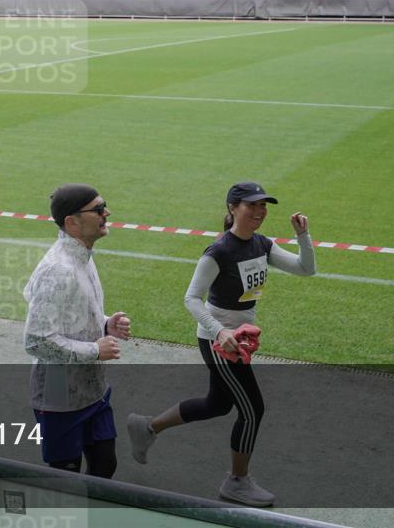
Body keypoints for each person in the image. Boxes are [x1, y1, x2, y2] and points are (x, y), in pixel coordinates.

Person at [126, 182, 315, 506]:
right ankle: (236, 482)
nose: (259, 211)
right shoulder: (219, 252)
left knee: (217, 403)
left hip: (239, 339)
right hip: (220, 343)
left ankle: (147, 427)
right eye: (251, 205)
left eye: (263, 205)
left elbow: (305, 269)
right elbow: (191, 298)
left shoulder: (262, 245)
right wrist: (219, 332)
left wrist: (302, 236)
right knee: (252, 410)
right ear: (232, 208)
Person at [23, 183, 131, 478]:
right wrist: (95, 349)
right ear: (72, 222)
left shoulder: (82, 255)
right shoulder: (59, 269)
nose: (107, 213)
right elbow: (36, 341)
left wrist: (105, 323)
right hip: (60, 400)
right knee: (66, 480)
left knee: (105, 464)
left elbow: (68, 312)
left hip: (94, 391)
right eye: (99, 209)